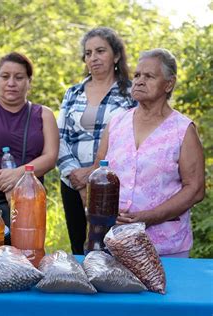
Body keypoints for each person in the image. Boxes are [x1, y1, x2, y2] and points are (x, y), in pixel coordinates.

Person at [94, 48, 205, 257]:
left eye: (149, 76)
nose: (139, 81)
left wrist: (149, 217)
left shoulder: (183, 130)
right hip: (115, 241)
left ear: (169, 84)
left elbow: (196, 188)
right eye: (137, 75)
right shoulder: (117, 122)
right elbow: (100, 170)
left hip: (166, 247)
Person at [57, 27, 137, 255]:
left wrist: (94, 175)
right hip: (72, 182)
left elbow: (133, 142)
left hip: (113, 183)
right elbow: (60, 137)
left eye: (100, 51)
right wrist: (78, 179)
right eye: (88, 53)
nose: (93, 58)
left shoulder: (132, 93)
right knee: (79, 247)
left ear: (117, 55)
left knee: (110, 248)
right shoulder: (73, 93)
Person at [0, 52, 59, 228]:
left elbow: (50, 158)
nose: (11, 83)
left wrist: (18, 176)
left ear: (29, 81)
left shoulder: (44, 114)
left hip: (30, 200)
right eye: (5, 76)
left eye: (19, 77)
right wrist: (9, 187)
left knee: (26, 252)